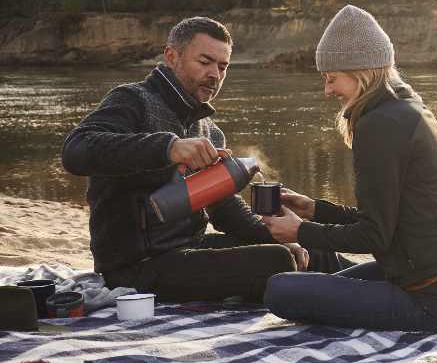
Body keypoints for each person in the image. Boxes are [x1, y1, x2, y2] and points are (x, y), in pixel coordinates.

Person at [61, 17, 330, 303]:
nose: (215, 74)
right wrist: (170, 147)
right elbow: (76, 150)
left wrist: (275, 233)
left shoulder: (210, 131)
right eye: (205, 62)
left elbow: (223, 209)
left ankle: (373, 288)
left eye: (222, 67)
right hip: (135, 267)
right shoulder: (132, 100)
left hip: (193, 248)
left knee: (308, 244)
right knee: (278, 261)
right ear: (171, 56)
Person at [261, 5, 437, 334]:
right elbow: (386, 221)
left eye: (332, 78)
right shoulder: (405, 106)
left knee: (280, 290)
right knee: (313, 284)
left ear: (360, 71)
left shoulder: (380, 125)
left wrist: (299, 231)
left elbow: (373, 235)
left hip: (434, 300)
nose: (327, 90)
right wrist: (315, 210)